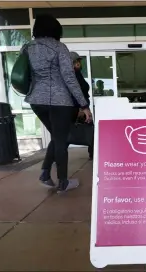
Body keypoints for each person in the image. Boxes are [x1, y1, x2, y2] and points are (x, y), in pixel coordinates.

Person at [23, 14, 92, 193]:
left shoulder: (27, 47)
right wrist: (84, 105)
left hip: (37, 100)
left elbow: (25, 75)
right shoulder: (59, 47)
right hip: (60, 101)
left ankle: (45, 173)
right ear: (56, 29)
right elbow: (69, 78)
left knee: (57, 136)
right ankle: (63, 182)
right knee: (61, 139)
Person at [70, 51, 94, 160]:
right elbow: (75, 92)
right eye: (76, 61)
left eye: (79, 61)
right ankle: (93, 153)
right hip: (78, 107)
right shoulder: (71, 75)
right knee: (89, 129)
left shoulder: (77, 74)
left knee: (89, 129)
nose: (78, 63)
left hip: (82, 106)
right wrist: (81, 108)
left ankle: (92, 153)